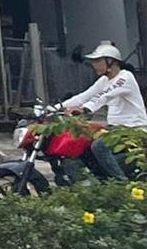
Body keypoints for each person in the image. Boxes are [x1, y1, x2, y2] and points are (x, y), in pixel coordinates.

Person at [58, 42, 144, 182]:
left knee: (99, 146)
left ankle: (120, 183)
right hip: (115, 129)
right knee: (83, 142)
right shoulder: (104, 80)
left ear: (111, 61)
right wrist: (55, 107)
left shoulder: (125, 77)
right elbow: (84, 96)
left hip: (133, 129)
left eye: (98, 61)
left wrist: (84, 109)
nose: (94, 65)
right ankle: (100, 181)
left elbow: (105, 95)